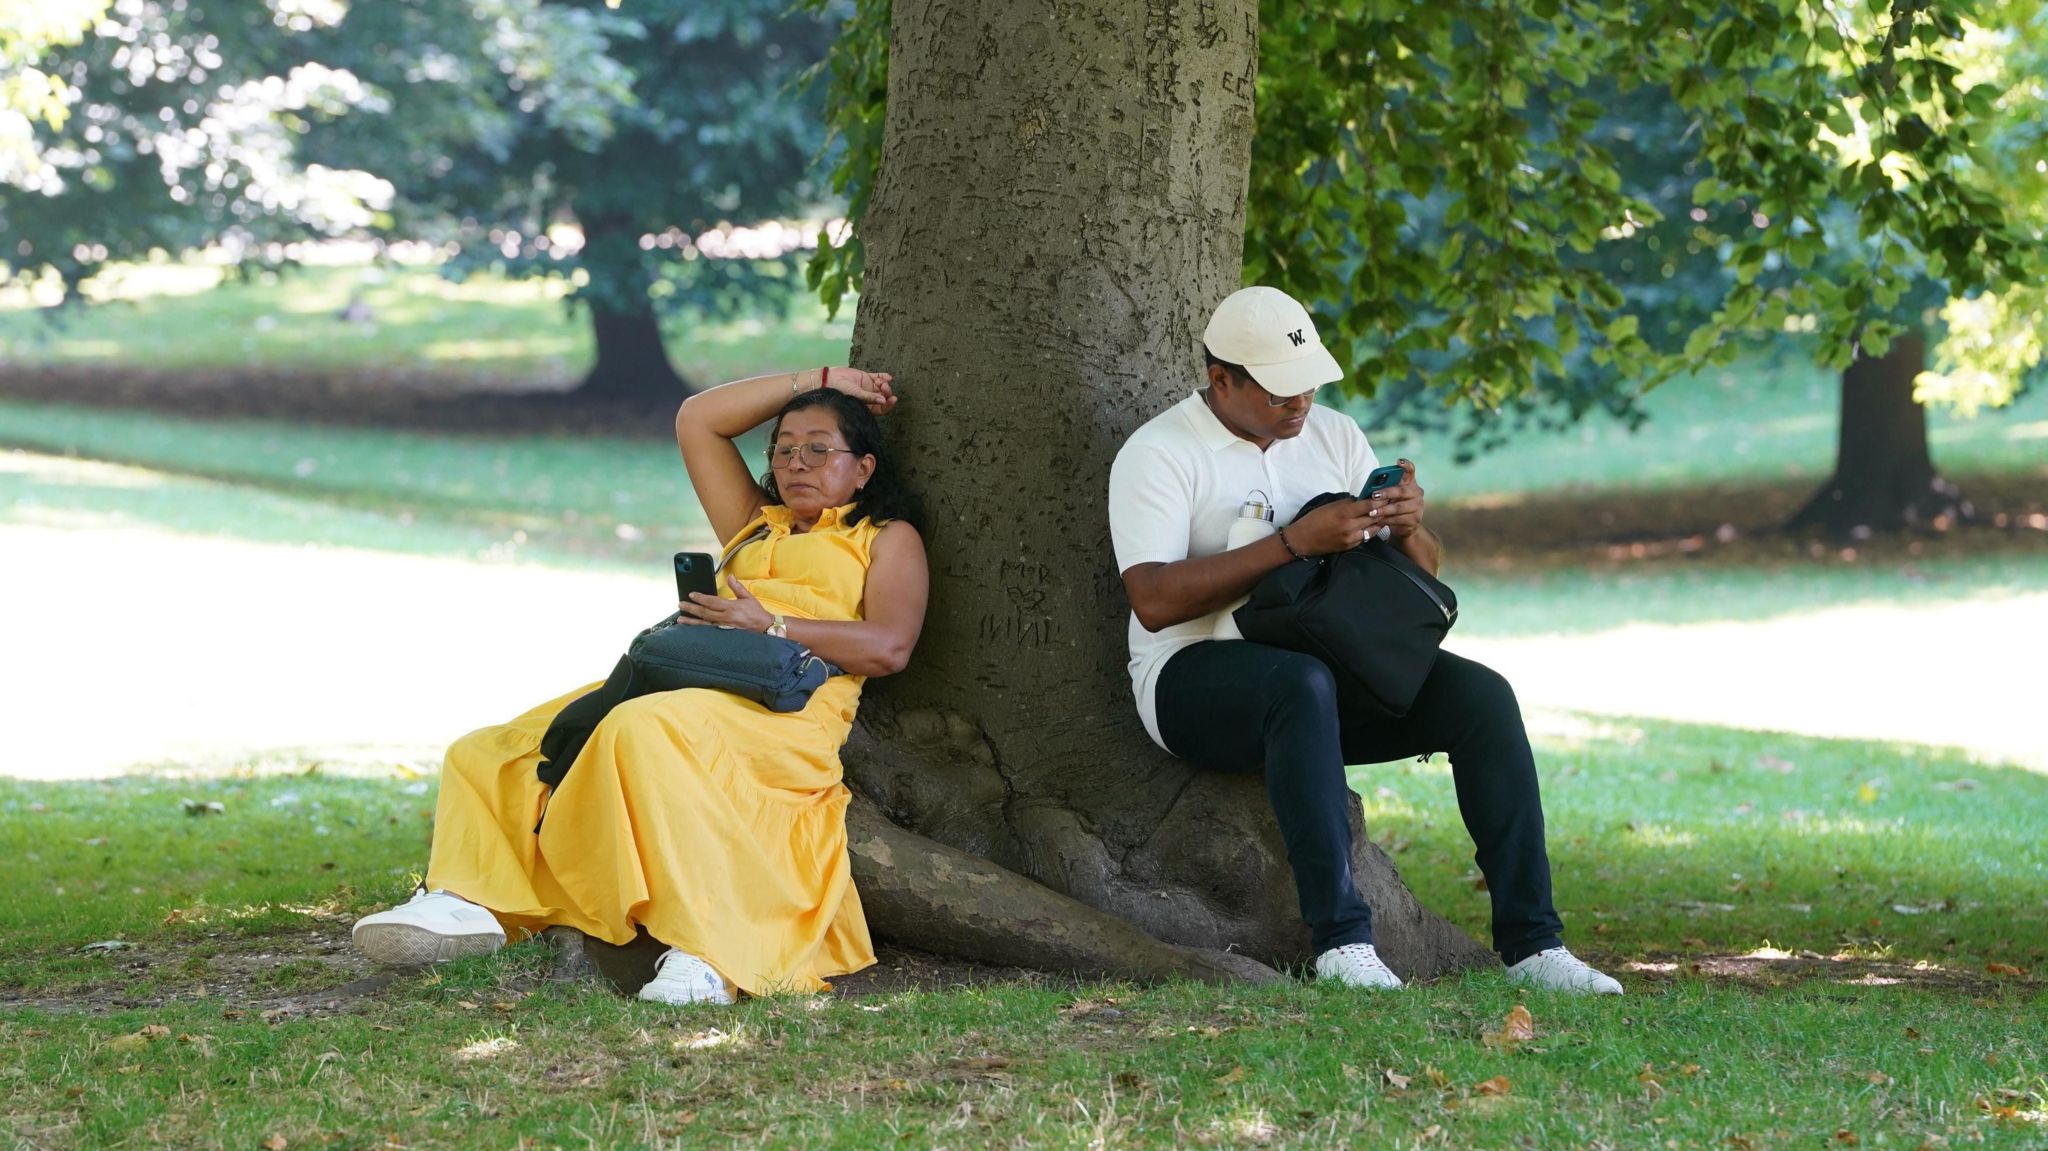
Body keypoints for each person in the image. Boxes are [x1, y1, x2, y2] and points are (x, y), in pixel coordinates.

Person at [350, 367, 929, 1005]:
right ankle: (464, 904)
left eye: (819, 449)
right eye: (784, 448)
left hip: (790, 710)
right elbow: (698, 420)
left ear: (864, 468)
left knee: (639, 730)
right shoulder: (753, 524)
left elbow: (890, 647)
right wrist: (818, 379)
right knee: (489, 748)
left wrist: (772, 623)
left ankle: (707, 953)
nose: (797, 462)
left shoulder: (883, 539)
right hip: (685, 682)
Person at [1107, 286, 1622, 995]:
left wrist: (1409, 526)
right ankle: (1342, 942)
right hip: (1192, 677)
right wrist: (1292, 543)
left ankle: (1534, 945)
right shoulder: (1160, 452)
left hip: (1333, 664)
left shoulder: (1335, 436)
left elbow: (1420, 576)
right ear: (1222, 380)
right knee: (1297, 685)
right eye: (1281, 391)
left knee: (1481, 695)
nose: (1300, 404)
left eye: (1309, 384)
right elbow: (1154, 600)